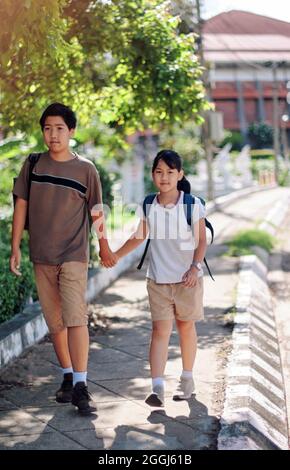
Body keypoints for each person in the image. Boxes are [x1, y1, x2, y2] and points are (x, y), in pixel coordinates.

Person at [10, 102, 117, 415]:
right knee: (55, 322)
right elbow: (21, 207)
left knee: (74, 317)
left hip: (73, 254)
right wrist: (16, 246)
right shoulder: (33, 165)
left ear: (71, 131)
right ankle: (68, 376)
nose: (52, 135)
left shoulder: (86, 169)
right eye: (47, 128)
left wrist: (104, 245)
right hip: (41, 255)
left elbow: (96, 210)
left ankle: (82, 385)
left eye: (59, 128)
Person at [113, 149, 207, 407]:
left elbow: (202, 241)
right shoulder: (148, 204)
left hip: (187, 279)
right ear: (153, 174)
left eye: (169, 172)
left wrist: (195, 268)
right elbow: (139, 236)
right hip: (158, 280)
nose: (164, 177)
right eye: (159, 171)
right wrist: (115, 255)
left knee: (186, 326)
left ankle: (187, 379)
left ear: (180, 174)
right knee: (159, 331)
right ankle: (157, 388)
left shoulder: (192, 204)